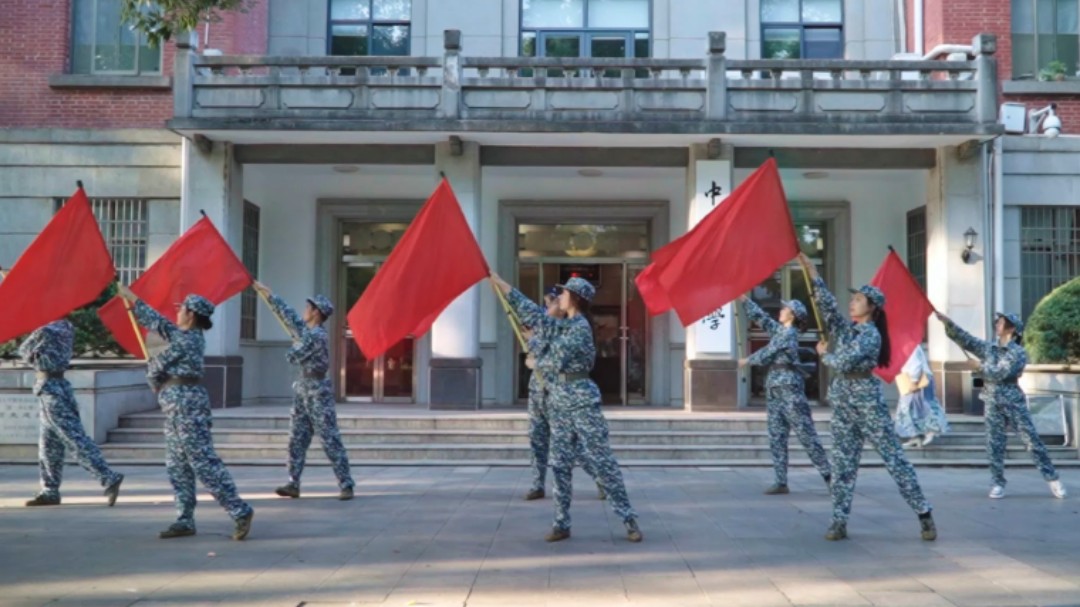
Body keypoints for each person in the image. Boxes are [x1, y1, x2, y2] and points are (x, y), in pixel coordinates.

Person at [491, 274, 642, 543]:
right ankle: (561, 523)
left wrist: (536, 362)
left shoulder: (580, 327)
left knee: (602, 461)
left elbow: (556, 358)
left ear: (574, 298)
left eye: (563, 293)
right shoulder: (565, 324)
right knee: (560, 464)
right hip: (558, 401)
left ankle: (629, 519)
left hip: (582, 401)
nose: (558, 296)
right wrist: (501, 284)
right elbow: (535, 316)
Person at [799, 253, 936, 542]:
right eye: (853, 299)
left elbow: (845, 362)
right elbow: (829, 309)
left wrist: (825, 356)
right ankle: (838, 521)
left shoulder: (870, 335)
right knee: (843, 465)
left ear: (872, 308)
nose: (852, 302)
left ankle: (924, 513)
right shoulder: (850, 330)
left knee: (894, 460)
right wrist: (813, 274)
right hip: (845, 404)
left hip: (868, 404)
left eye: (859, 299)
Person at [117, 286, 254, 540]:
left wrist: (153, 375)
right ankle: (184, 518)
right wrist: (134, 300)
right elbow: (161, 325)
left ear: (190, 315)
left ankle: (239, 510)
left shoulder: (187, 339)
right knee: (177, 464)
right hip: (177, 406)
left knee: (202, 461)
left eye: (182, 309)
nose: (177, 312)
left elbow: (157, 365)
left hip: (186, 405)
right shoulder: (186, 335)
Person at [936, 311, 1066, 499]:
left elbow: (1000, 373)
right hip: (992, 401)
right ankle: (997, 482)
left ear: (1011, 329)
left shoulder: (1017, 352)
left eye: (1002, 322)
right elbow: (968, 341)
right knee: (994, 443)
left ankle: (1053, 479)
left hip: (1013, 401)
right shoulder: (989, 348)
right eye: (997, 321)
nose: (997, 324)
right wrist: (949, 324)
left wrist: (978, 367)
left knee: (1032, 441)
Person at [252, 282, 355, 501]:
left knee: (329, 438)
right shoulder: (307, 332)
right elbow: (289, 317)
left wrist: (295, 344)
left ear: (316, 312)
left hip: (318, 392)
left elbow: (293, 355)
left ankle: (346, 484)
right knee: (296, 438)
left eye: (308, 308)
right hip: (302, 390)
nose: (304, 310)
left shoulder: (317, 335)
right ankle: (293, 483)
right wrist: (269, 295)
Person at [20, 319, 124, 507]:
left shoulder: (44, 331)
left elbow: (23, 352)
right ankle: (50, 490)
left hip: (50, 389)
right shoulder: (66, 328)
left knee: (73, 438)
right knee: (49, 444)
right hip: (59, 386)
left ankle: (108, 477)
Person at [738, 295, 831, 495]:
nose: (780, 311)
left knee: (806, 434)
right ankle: (781, 481)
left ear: (793, 315)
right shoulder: (781, 330)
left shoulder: (788, 334)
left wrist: (747, 360)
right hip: (775, 389)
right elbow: (763, 319)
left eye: (785, 308)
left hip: (789, 389)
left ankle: (830, 476)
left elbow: (769, 352)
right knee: (777, 436)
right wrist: (745, 300)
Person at [523, 286, 605, 502]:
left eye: (550, 303)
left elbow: (551, 357)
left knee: (571, 446)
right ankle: (537, 483)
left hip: (556, 391)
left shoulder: (564, 328)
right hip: (537, 390)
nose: (546, 308)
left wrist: (534, 344)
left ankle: (601, 479)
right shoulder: (544, 327)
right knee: (537, 437)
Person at [894, 345, 949, 448]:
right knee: (910, 409)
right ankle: (915, 436)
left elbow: (915, 364)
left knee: (917, 407)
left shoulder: (910, 346)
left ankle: (930, 430)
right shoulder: (907, 346)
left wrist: (914, 381)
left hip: (916, 380)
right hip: (912, 378)